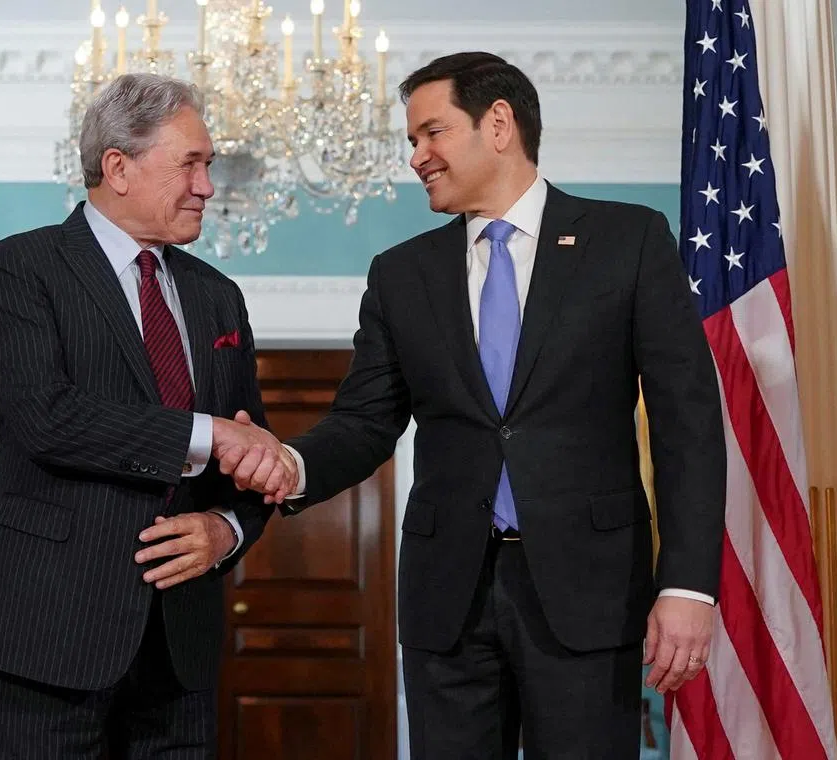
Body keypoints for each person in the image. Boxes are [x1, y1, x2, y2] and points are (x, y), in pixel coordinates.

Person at [225, 52, 727, 758]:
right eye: (410, 141)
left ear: (499, 124)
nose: (416, 157)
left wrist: (688, 587)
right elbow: (365, 421)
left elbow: (689, 427)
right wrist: (292, 462)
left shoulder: (629, 241)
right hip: (447, 599)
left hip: (590, 592)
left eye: (431, 133)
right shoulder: (401, 274)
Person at [0, 73, 287, 758]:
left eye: (209, 166)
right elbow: (45, 417)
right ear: (118, 167)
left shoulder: (218, 297)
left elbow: (249, 453)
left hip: (180, 642)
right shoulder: (22, 267)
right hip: (49, 628)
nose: (208, 187)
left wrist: (227, 530)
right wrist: (206, 433)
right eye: (191, 163)